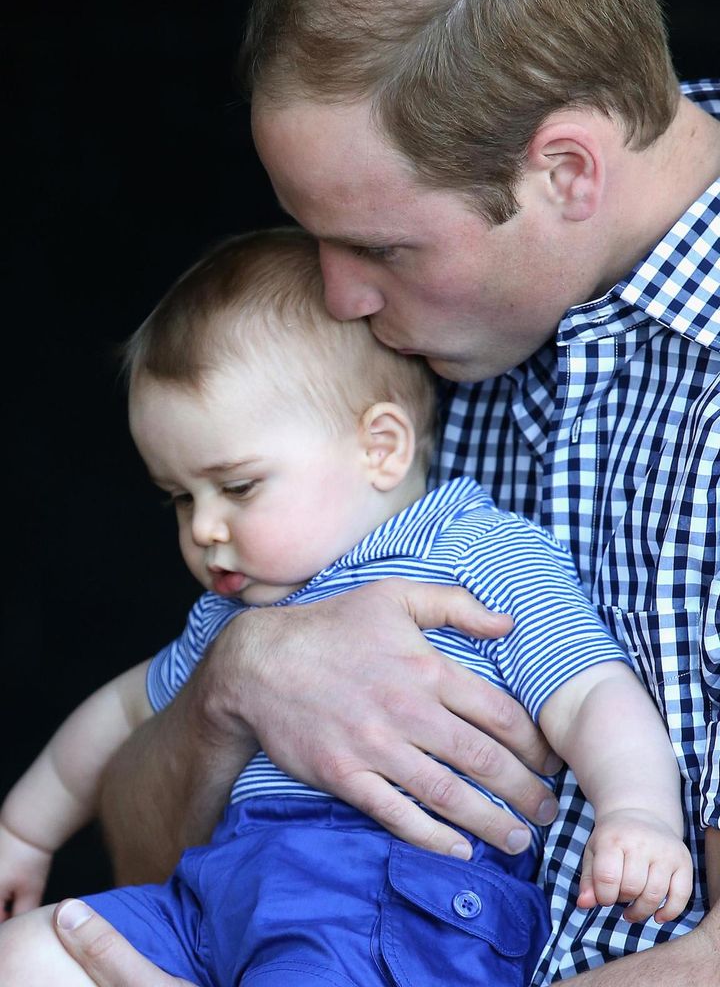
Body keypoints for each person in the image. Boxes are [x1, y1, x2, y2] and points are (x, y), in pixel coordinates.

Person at [20, 0, 720, 985]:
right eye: (319, 240)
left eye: (380, 247)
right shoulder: (416, 346)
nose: (339, 299)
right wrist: (240, 678)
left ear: (567, 173)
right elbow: (151, 856)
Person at [0, 227, 692, 985]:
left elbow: (591, 689)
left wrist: (640, 812)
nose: (203, 530)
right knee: (31, 954)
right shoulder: (238, 616)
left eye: (237, 487)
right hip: (220, 895)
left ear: (382, 448)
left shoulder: (470, 551)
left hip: (390, 897)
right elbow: (122, 715)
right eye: (178, 497)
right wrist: (23, 833)